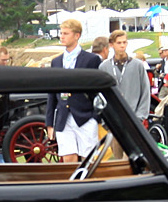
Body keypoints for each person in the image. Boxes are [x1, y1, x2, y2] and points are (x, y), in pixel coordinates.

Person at [46, 18, 101, 164]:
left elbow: (97, 91)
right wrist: (50, 123)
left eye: (66, 33)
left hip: (85, 116)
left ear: (76, 35)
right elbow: (52, 93)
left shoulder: (91, 60)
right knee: (68, 158)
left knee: (88, 158)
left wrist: (95, 117)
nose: (61, 36)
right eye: (61, 33)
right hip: (63, 116)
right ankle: (71, 186)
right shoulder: (56, 62)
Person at [106, 30, 152, 125]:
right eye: (119, 43)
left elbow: (145, 91)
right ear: (111, 45)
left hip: (134, 118)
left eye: (124, 42)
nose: (122, 45)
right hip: (112, 119)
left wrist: (140, 116)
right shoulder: (104, 67)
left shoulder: (138, 65)